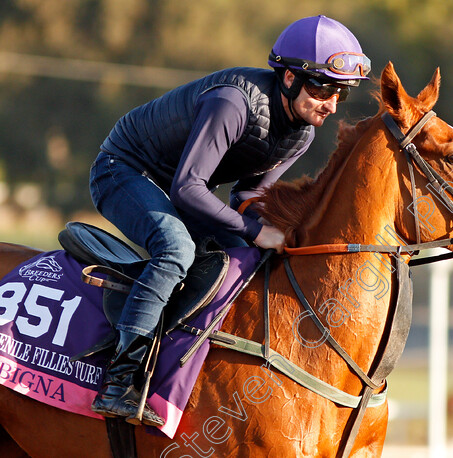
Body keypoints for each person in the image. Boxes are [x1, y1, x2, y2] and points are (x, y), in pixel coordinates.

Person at [88, 15, 371, 426]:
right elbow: (189, 189)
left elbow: (246, 196)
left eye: (339, 94)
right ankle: (120, 381)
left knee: (247, 254)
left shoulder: (301, 134)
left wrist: (284, 230)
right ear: (289, 79)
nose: (330, 103)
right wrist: (257, 230)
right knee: (176, 249)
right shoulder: (233, 102)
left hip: (179, 186)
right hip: (125, 170)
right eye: (321, 87)